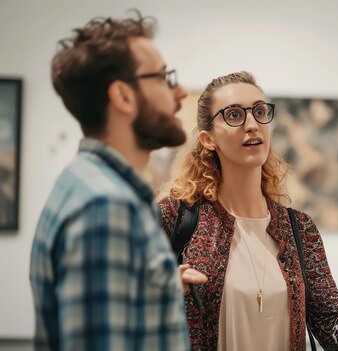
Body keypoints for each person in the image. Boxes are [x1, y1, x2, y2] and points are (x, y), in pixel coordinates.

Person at [159, 71, 338, 351]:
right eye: (234, 115)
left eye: (260, 111)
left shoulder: (298, 229)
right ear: (208, 139)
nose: (252, 124)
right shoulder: (175, 218)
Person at [29, 11, 207, 351]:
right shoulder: (107, 207)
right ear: (124, 97)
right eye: (163, 77)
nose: (180, 91)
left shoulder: (84, 182)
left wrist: (155, 287)